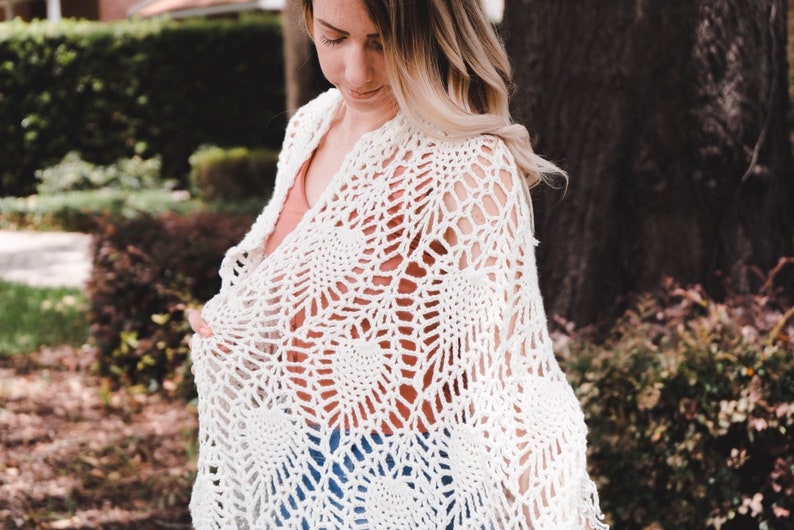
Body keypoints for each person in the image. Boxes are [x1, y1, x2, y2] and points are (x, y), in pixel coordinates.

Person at [187, 0, 608, 528]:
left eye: (383, 42)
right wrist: (233, 331)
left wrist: (546, 514)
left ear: (429, 34)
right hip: (289, 466)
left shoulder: (468, 162)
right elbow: (300, 304)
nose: (356, 71)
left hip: (407, 480)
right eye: (335, 39)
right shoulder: (310, 127)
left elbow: (507, 379)